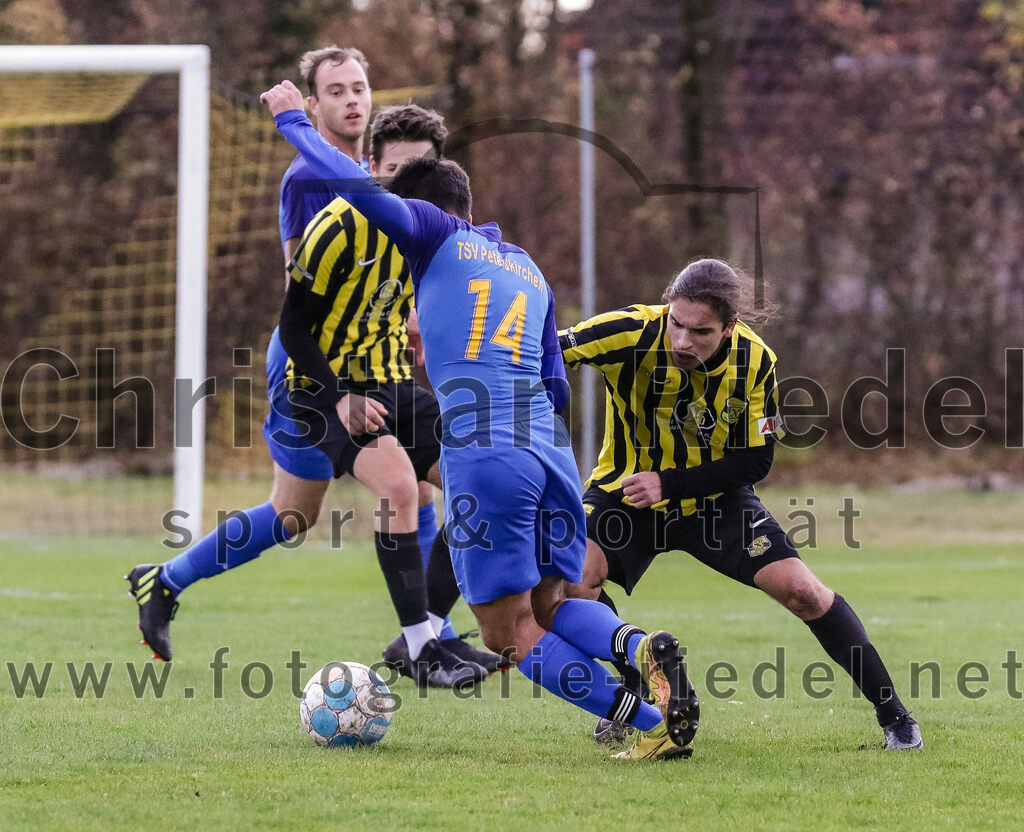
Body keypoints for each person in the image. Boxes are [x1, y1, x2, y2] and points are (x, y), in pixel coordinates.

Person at [261, 79, 702, 761]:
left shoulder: (431, 230)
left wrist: (294, 122)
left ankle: (648, 725)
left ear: (422, 210)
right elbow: (556, 383)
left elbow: (355, 188)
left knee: (507, 633)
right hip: (551, 449)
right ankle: (641, 648)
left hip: (485, 447)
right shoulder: (525, 267)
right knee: (551, 604)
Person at [126, 47, 499, 687]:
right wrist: (342, 387)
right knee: (313, 509)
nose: (352, 99)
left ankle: (425, 634)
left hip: (378, 362)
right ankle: (419, 642)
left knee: (430, 485)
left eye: (360, 86)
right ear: (313, 103)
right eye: (336, 90)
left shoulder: (413, 196)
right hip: (314, 370)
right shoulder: (313, 182)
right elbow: (304, 300)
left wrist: (413, 320)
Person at [558, 258, 923, 751]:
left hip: (713, 501)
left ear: (730, 327)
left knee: (804, 593)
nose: (683, 341)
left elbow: (755, 459)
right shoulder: (628, 331)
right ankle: (643, 674)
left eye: (701, 332)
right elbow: (544, 351)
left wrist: (670, 483)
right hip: (626, 493)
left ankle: (896, 719)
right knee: (572, 580)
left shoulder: (755, 361)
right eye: (677, 324)